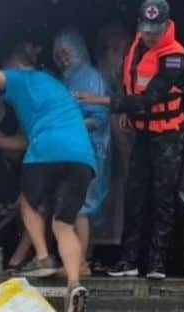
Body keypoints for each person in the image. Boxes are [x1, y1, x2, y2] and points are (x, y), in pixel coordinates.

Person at [0, 41, 95, 312]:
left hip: (47, 151)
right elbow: (23, 140)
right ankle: (74, 282)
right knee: (63, 224)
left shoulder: (20, 76)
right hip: (81, 156)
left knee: (28, 202)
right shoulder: (56, 88)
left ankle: (42, 256)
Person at [78, 0, 184, 281]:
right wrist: (131, 114)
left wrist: (102, 101)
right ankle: (128, 261)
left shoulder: (175, 57)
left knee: (161, 197)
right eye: (146, 29)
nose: (150, 36)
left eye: (155, 31)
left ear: (167, 26)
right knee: (134, 193)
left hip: (168, 136)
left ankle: (157, 263)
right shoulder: (137, 44)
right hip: (142, 132)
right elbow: (131, 85)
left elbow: (148, 98)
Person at [54, 27, 112, 274]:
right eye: (59, 53)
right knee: (73, 207)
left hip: (90, 150)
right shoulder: (68, 78)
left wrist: (70, 125)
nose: (63, 57)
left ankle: (80, 263)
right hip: (73, 150)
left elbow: (98, 117)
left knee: (80, 207)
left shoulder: (89, 77)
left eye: (67, 51)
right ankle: (77, 260)